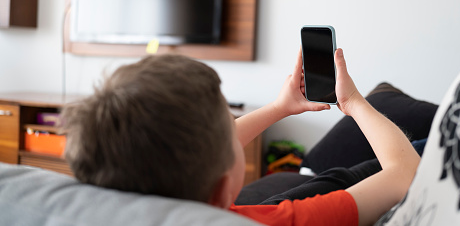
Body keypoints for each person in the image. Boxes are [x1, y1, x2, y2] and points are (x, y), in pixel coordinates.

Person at [60, 48, 420, 226]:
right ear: (220, 190)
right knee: (399, 141)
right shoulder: (272, 223)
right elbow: (404, 173)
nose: (236, 130)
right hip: (382, 172)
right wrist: (355, 103)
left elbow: (197, 143)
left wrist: (280, 107)